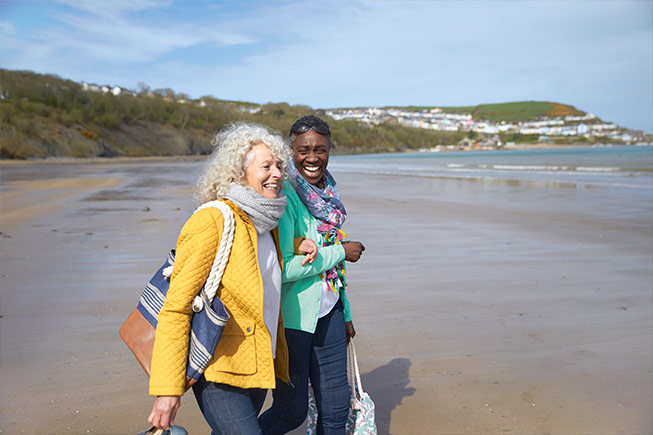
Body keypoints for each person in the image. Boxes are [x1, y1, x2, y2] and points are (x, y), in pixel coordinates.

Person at [146, 122, 318, 434]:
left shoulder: (267, 223)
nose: (277, 173)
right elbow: (176, 308)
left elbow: (254, 261)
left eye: (279, 165)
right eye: (266, 166)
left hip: (255, 361)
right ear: (239, 173)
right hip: (218, 366)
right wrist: (167, 390)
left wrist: (296, 244)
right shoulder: (212, 219)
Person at [259, 115, 366, 434]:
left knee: (336, 409)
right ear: (291, 150)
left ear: (329, 149)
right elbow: (283, 268)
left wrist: (344, 312)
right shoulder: (285, 196)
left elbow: (333, 268)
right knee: (290, 412)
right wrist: (340, 251)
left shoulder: (329, 195)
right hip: (292, 322)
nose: (312, 157)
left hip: (330, 313)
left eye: (320, 149)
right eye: (304, 149)